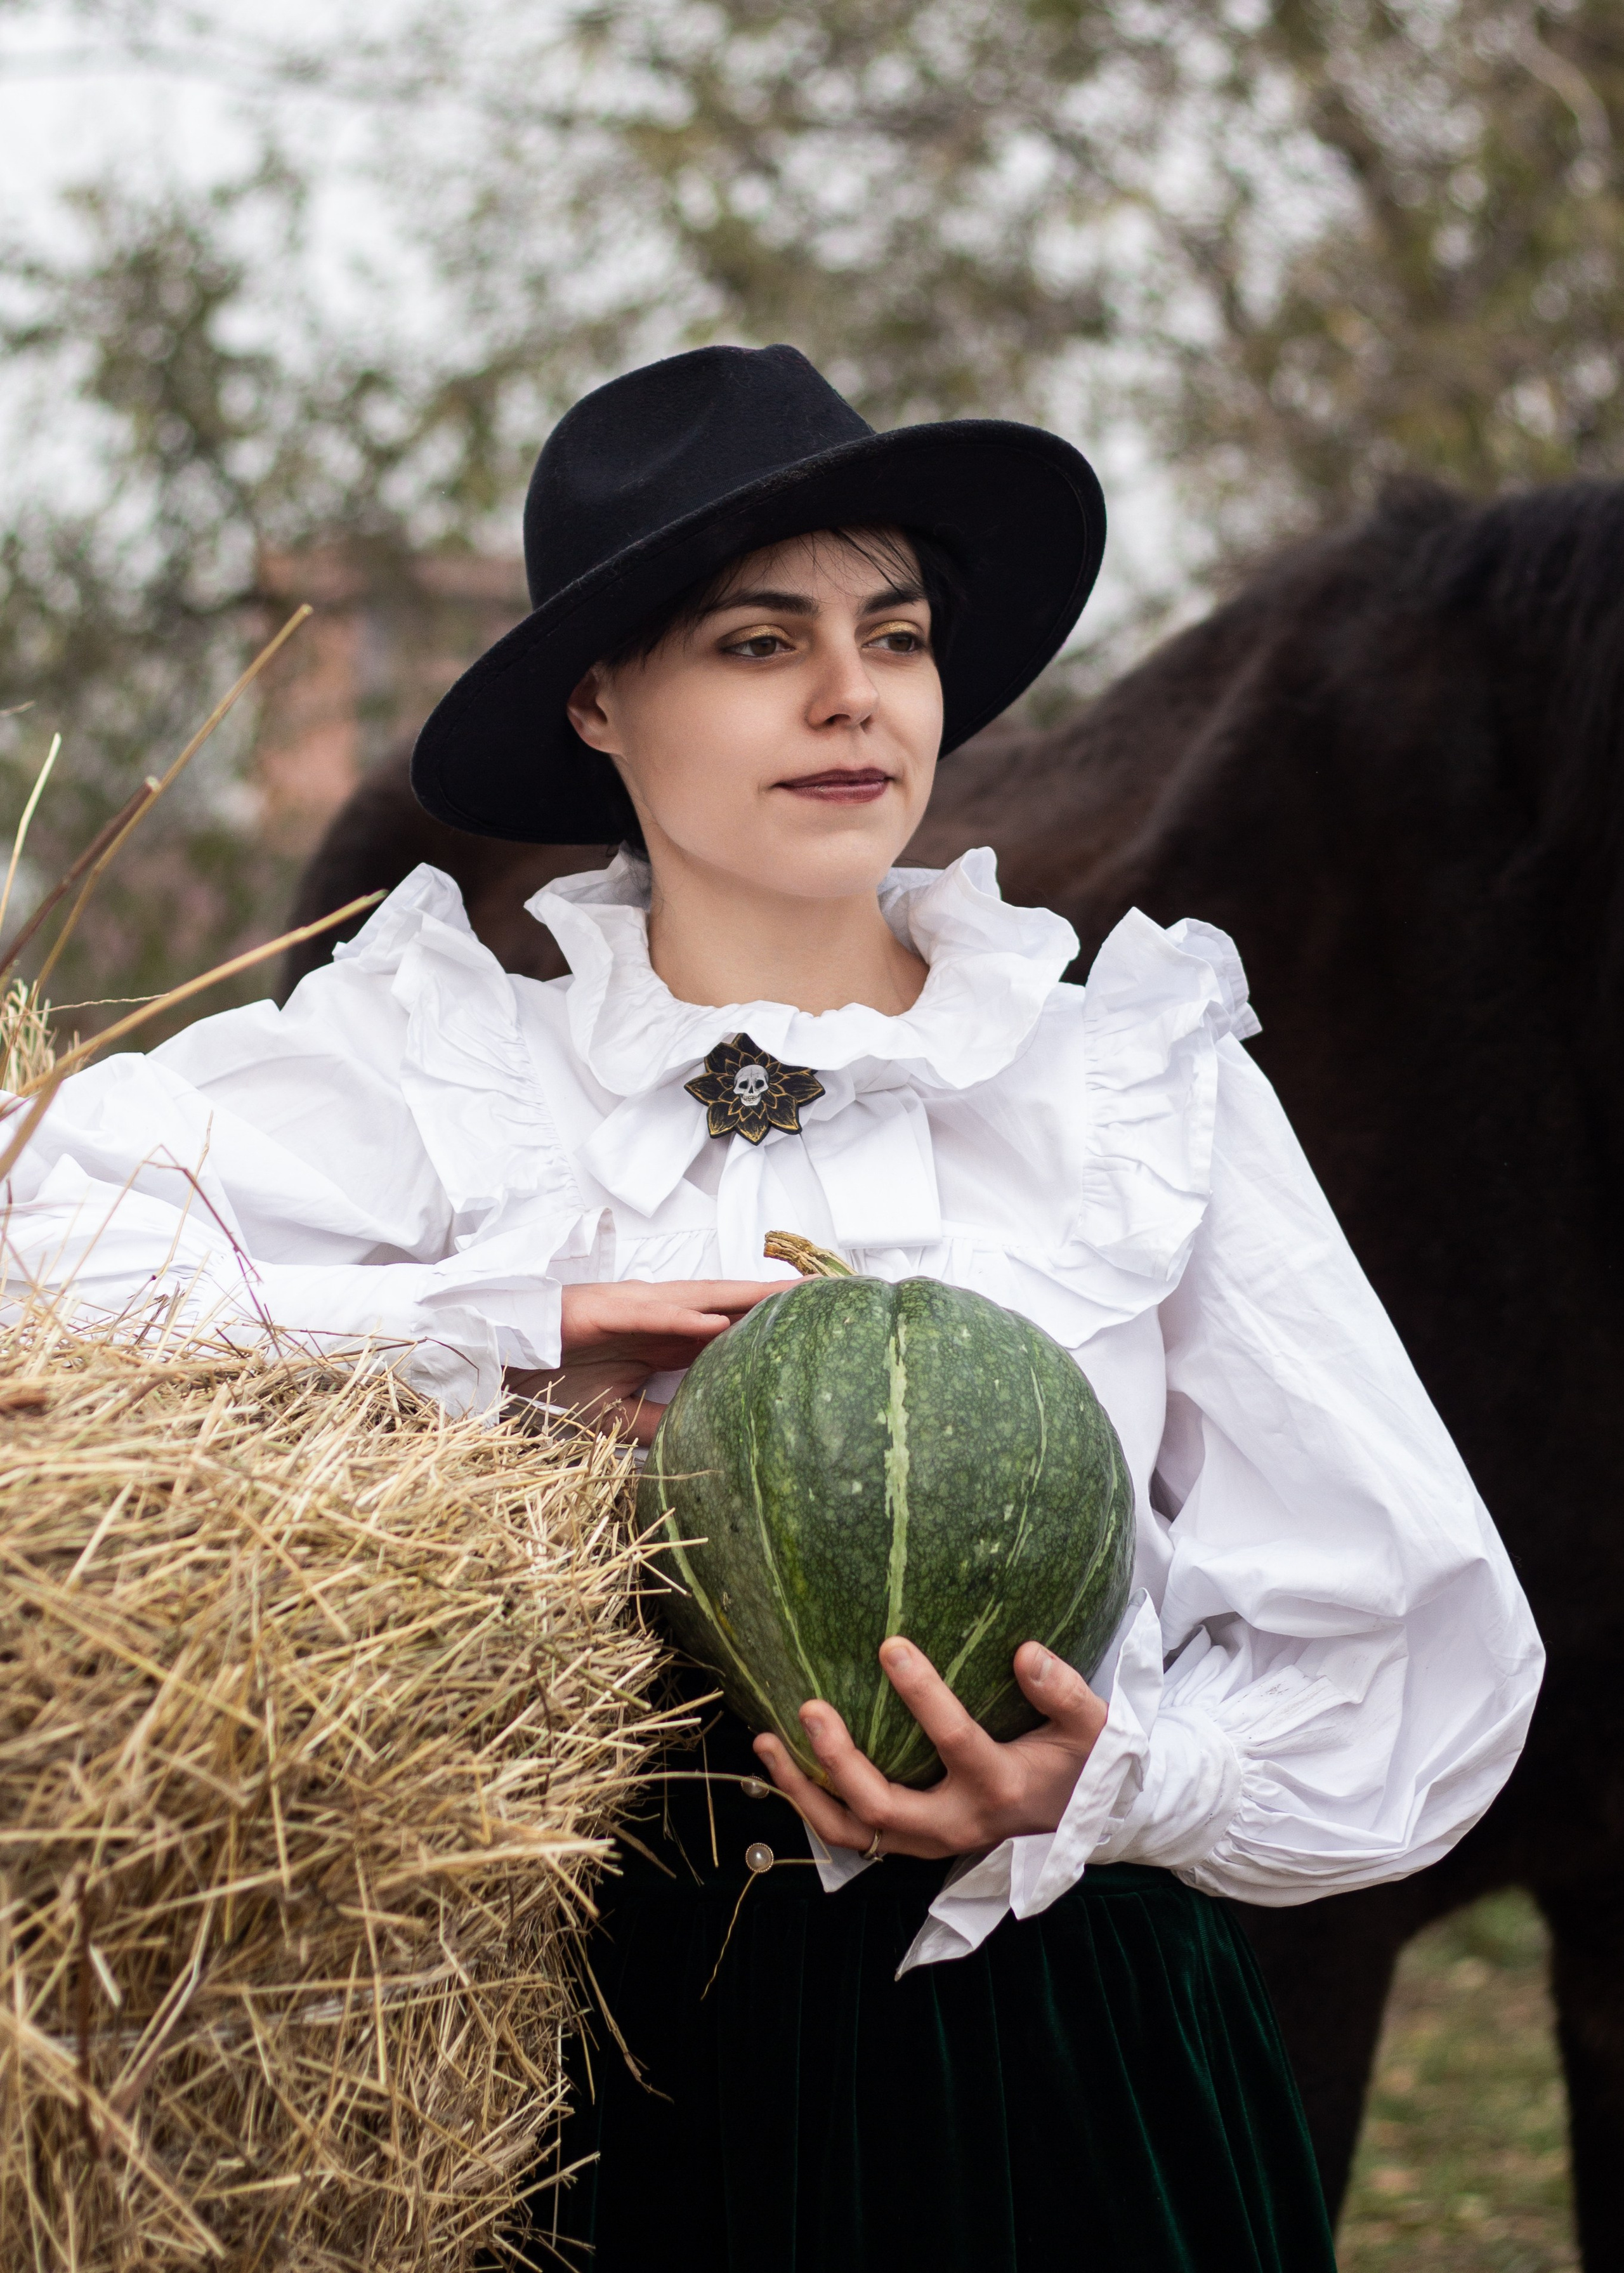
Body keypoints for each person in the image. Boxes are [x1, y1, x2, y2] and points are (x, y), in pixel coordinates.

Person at [2, 345, 1541, 2270]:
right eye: (757, 642)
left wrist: (1116, 1778)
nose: (854, 696)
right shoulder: (457, 1064)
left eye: (895, 638)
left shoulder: (1125, 1087)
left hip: (1056, 2064)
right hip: (583, 2079)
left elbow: (1415, 1641)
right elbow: (34, 1229)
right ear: (596, 699)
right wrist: (504, 1329)